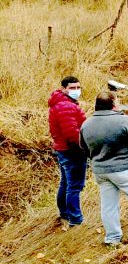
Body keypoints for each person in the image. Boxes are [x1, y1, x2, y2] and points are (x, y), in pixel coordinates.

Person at [80, 92, 128, 245]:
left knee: (108, 205)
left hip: (101, 172)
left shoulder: (86, 124)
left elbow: (83, 148)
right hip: (125, 168)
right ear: (113, 104)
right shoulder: (124, 120)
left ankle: (112, 238)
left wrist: (97, 161)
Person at [49, 76, 87, 226]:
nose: (76, 91)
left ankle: (64, 213)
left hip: (62, 149)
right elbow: (72, 133)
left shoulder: (59, 103)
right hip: (72, 150)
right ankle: (75, 219)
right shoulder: (66, 106)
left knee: (66, 183)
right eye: (72, 88)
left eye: (78, 87)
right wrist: (84, 147)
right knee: (74, 186)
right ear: (64, 88)